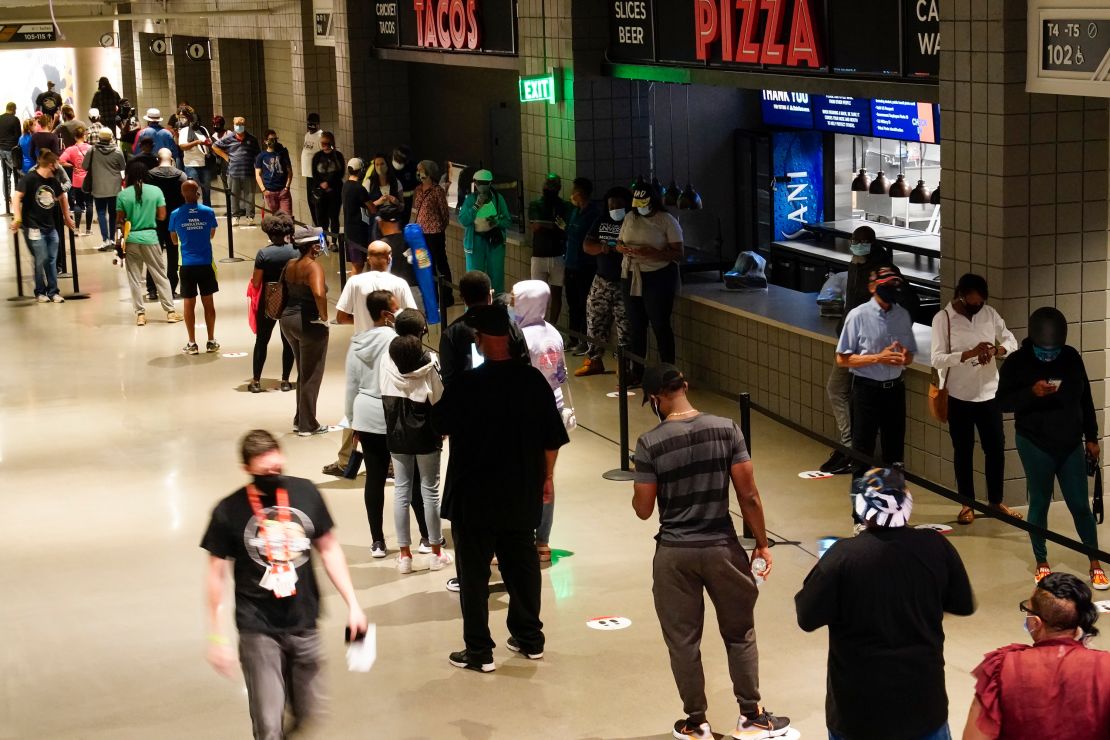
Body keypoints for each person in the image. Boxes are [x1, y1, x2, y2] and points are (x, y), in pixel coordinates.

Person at [631, 364, 791, 740]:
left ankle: (696, 722)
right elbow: (748, 494)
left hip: (674, 553)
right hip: (722, 547)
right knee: (740, 632)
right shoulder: (726, 429)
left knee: (683, 642)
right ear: (684, 386)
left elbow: (643, 509)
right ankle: (751, 716)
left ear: (655, 399)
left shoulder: (649, 443)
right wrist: (762, 544)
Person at [201, 429, 367, 740]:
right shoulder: (228, 511)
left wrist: (354, 605)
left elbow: (329, 549)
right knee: (268, 723)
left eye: (278, 468)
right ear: (247, 469)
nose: (273, 475)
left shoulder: (306, 493)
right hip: (257, 628)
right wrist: (216, 636)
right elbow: (216, 575)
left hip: (304, 620)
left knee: (308, 712)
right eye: (265, 472)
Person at [433, 303, 570, 672]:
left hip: (473, 494)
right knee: (522, 564)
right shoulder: (532, 382)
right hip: (519, 489)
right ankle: (530, 639)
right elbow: (552, 439)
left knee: (474, 575)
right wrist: (547, 477)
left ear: (479, 340)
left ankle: (479, 651)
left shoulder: (466, 385)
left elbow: (438, 424)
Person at [795, 466, 975, 740]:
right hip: (923, 706)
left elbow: (806, 616)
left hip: (858, 713)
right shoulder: (936, 547)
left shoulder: (842, 557)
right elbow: (963, 603)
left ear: (860, 507)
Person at [997, 306, 1108, 590]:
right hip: (1034, 442)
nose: (1050, 356)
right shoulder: (1017, 362)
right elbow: (1001, 402)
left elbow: (1085, 399)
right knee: (1040, 501)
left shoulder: (1071, 358)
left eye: (1054, 350)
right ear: (1033, 341)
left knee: (1080, 504)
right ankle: (1040, 560)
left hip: (1070, 442)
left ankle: (1094, 561)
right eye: (1044, 351)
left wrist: (1092, 438)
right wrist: (1030, 393)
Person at [963, 573, 1110, 740]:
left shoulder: (1002, 667)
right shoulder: (1106, 667)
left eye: (1027, 609)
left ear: (1036, 622)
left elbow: (974, 737)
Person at [930, 273, 1021, 524]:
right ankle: (966, 504)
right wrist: (967, 353)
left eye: (981, 302)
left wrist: (995, 350)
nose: (977, 306)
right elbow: (936, 358)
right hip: (959, 396)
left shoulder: (990, 314)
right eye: (973, 302)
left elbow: (1011, 341)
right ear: (961, 296)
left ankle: (995, 501)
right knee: (963, 451)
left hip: (990, 393)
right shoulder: (944, 319)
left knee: (995, 449)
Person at [381, 317, 452, 573]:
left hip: (396, 433)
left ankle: (404, 556)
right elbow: (440, 398)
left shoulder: (386, 362)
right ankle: (435, 552)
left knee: (401, 490)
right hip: (426, 434)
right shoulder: (430, 364)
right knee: (429, 491)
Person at [821, 226, 895, 475]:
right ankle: (850, 447)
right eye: (854, 240)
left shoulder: (881, 272)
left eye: (861, 241)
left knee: (839, 389)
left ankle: (851, 447)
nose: (856, 244)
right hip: (849, 336)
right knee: (846, 392)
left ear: (872, 243)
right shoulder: (856, 262)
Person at [836, 267, 917, 486]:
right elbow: (842, 359)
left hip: (895, 390)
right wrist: (877, 358)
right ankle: (860, 516)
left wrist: (903, 358)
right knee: (862, 453)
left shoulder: (902, 315)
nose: (891, 289)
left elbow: (909, 355)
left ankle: (895, 513)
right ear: (873, 287)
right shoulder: (858, 315)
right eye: (886, 285)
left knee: (895, 455)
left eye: (894, 285)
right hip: (866, 390)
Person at [346, 290, 410, 557]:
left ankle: (377, 541)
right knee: (408, 479)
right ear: (386, 314)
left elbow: (351, 385)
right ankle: (421, 539)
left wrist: (352, 421)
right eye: (396, 308)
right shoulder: (397, 341)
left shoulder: (357, 343)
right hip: (395, 414)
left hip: (365, 413)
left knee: (374, 478)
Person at [512, 280, 570, 562]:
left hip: (525, 413)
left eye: (515, 297)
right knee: (547, 477)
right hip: (553, 409)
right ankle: (543, 542)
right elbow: (560, 374)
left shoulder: (519, 335)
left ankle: (518, 536)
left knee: (520, 475)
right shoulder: (554, 332)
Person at [618, 180, 683, 386]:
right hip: (631, 274)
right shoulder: (630, 217)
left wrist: (655, 253)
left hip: (658, 276)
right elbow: (619, 242)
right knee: (636, 326)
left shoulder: (667, 220)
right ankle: (637, 371)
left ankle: (668, 374)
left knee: (660, 325)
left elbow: (678, 254)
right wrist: (623, 249)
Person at [439, 270, 530, 390]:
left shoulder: (450, 334)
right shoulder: (510, 325)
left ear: (462, 298)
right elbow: (525, 366)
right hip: (509, 398)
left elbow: (449, 381)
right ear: (489, 296)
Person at [576, 185, 632, 376]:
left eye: (618, 205)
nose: (614, 208)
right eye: (611, 205)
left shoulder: (631, 222)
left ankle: (624, 367)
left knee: (625, 326)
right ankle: (594, 360)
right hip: (601, 279)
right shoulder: (601, 220)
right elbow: (586, 245)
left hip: (624, 282)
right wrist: (602, 248)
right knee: (595, 320)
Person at [117, 160, 182, 326]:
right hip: (151, 237)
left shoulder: (123, 195)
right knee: (160, 275)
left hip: (131, 238)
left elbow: (119, 221)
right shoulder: (156, 191)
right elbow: (162, 216)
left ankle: (140, 314)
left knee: (134, 278)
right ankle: (170, 312)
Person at [280, 226, 331, 436]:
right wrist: (324, 316)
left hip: (287, 321)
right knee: (312, 374)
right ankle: (307, 425)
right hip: (308, 323)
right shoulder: (313, 267)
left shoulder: (290, 264)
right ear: (313, 246)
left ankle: (299, 417)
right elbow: (319, 293)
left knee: (303, 371)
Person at [9, 149, 75, 303]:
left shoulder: (53, 181)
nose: (58, 168)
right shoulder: (29, 179)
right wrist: (17, 217)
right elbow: (17, 196)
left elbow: (62, 196)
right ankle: (40, 292)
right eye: (56, 165)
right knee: (40, 258)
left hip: (50, 227)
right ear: (51, 165)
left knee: (51, 259)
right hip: (33, 227)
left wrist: (66, 216)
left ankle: (53, 291)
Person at [250, 213, 298, 394]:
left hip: (268, 302)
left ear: (269, 234)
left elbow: (256, 282)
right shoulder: (295, 251)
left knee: (262, 341)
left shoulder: (263, 254)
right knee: (288, 342)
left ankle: (256, 381)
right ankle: (285, 381)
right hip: (290, 301)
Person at [170, 180, 220, 355]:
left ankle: (192, 343)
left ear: (183, 193)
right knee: (209, 304)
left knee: (188, 304)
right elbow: (211, 234)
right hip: (206, 262)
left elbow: (174, 239)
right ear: (197, 192)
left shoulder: (175, 214)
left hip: (186, 265)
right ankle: (211, 340)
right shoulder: (208, 212)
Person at [458, 169, 511, 293]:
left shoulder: (498, 199)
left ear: (490, 183)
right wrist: (476, 206)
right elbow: (464, 220)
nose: (482, 186)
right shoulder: (470, 199)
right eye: (479, 183)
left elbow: (508, 221)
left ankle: (497, 307)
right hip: (475, 242)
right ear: (475, 184)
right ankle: (473, 308)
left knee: (496, 276)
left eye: (485, 183)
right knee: (474, 279)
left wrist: (497, 222)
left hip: (494, 242)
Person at [527, 173, 570, 323]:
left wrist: (546, 225)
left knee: (556, 294)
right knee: (539, 295)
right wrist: (553, 226)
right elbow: (535, 226)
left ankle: (552, 326)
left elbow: (542, 226)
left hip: (557, 255)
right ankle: (541, 325)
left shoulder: (564, 206)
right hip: (540, 256)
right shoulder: (536, 205)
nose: (549, 188)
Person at [563, 177, 598, 353]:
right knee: (572, 304)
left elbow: (580, 235)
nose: (571, 195)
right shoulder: (575, 212)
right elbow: (571, 232)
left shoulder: (593, 214)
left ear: (579, 193)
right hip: (570, 264)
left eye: (573, 191)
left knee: (584, 304)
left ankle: (584, 340)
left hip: (585, 266)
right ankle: (573, 337)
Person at [146, 148, 187, 299]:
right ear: (171, 159)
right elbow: (186, 197)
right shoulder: (181, 175)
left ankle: (151, 289)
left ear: (158, 159)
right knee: (173, 254)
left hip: (154, 220)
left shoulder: (149, 175)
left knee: (153, 255)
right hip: (174, 220)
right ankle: (171, 287)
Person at [411, 159, 452, 305]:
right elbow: (415, 211)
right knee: (425, 264)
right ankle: (431, 295)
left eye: (420, 169)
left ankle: (447, 296)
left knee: (440, 263)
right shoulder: (418, 190)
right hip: (421, 234)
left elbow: (444, 213)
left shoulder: (437, 191)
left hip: (435, 234)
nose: (418, 172)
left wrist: (440, 227)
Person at [83, 128, 126, 250]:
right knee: (113, 213)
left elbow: (84, 166)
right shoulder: (117, 150)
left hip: (98, 186)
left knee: (101, 213)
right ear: (111, 137)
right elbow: (123, 166)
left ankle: (105, 239)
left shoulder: (93, 150)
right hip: (114, 187)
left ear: (99, 138)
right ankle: (112, 239)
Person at [214, 117, 261, 226]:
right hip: (233, 172)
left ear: (244, 125)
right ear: (233, 125)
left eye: (241, 124)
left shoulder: (252, 139)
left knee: (250, 195)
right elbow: (215, 146)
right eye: (237, 124)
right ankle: (235, 216)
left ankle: (250, 216)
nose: (239, 126)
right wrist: (225, 157)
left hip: (248, 172)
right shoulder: (229, 138)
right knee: (234, 196)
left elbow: (257, 154)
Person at [375, 202, 420, 303]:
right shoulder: (413, 241)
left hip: (391, 296)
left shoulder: (381, 246)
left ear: (380, 222)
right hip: (414, 293)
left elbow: (376, 276)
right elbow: (424, 264)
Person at [58, 125, 93, 236]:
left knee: (78, 204)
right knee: (90, 204)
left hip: (77, 180)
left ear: (74, 137)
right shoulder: (90, 148)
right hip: (89, 180)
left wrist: (72, 165)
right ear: (83, 135)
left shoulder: (70, 149)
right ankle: (88, 229)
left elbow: (60, 160)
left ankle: (77, 229)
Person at [341, 158, 373, 274]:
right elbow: (372, 208)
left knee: (357, 264)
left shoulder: (345, 186)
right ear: (361, 171)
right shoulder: (359, 188)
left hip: (349, 230)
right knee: (358, 265)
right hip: (358, 232)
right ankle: (352, 291)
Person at [310, 131, 344, 237]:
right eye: (322, 143)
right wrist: (321, 184)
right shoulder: (317, 156)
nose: (324, 145)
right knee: (321, 218)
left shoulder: (337, 156)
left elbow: (340, 173)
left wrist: (329, 184)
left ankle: (334, 241)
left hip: (334, 191)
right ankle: (323, 240)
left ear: (331, 142)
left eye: (326, 143)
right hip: (321, 192)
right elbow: (314, 174)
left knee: (334, 217)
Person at [176, 106, 212, 207]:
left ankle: (207, 210)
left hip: (205, 163)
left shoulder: (203, 129)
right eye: (180, 117)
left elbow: (210, 143)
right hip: (191, 164)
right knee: (192, 191)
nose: (182, 119)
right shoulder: (184, 131)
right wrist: (197, 142)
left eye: (183, 117)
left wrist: (207, 143)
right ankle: (193, 210)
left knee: (207, 191)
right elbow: (182, 146)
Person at [254, 129, 292, 217]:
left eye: (275, 139)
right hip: (269, 191)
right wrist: (263, 190)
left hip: (283, 190)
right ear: (265, 141)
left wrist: (287, 187)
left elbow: (289, 171)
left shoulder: (282, 153)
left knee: (287, 218)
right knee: (276, 219)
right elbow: (257, 174)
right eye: (271, 139)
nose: (274, 141)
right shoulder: (261, 156)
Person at [363, 152, 402, 225]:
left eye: (382, 164)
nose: (379, 167)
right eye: (377, 164)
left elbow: (402, 207)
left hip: (392, 223)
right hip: (376, 224)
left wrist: (397, 202)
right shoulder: (368, 183)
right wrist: (378, 202)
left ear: (387, 165)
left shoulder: (396, 182)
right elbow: (365, 209)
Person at [301, 113, 323, 225]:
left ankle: (320, 225)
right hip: (308, 174)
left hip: (316, 175)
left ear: (317, 124)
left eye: (313, 124)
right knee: (310, 201)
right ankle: (315, 223)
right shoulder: (307, 135)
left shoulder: (321, 136)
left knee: (316, 201)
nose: (310, 126)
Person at [389, 145, 419, 220]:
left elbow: (418, 182)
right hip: (391, 201)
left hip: (407, 201)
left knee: (404, 221)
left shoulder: (412, 166)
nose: (399, 163)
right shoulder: (387, 164)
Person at [0, 102, 20, 193]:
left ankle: (7, 197)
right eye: (15, 109)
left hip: (1, 150)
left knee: (6, 174)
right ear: (13, 109)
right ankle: (18, 195)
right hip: (12, 149)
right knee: (17, 172)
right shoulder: (15, 119)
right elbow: (18, 136)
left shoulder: (0, 118)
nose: (15, 112)